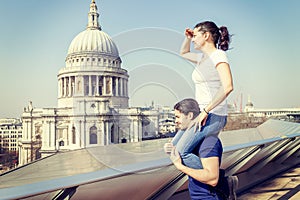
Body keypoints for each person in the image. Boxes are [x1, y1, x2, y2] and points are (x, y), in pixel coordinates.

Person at [166, 21, 234, 171]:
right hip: (201, 115)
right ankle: (212, 175)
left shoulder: (218, 55)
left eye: (196, 36)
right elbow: (183, 53)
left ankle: (220, 181)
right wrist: (188, 38)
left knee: (181, 153)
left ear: (206, 35)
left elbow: (228, 86)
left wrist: (205, 111)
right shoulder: (202, 58)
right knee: (172, 148)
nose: (194, 39)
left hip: (212, 115)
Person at [164, 98, 238, 199]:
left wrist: (180, 166)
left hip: (210, 196)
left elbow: (212, 179)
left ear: (190, 116)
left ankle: (224, 183)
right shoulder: (190, 143)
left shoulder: (208, 143)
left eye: (178, 117)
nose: (175, 121)